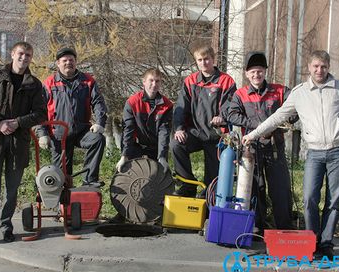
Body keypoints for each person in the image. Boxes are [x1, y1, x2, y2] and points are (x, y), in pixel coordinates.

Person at [242, 50, 339, 258]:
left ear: (329, 68)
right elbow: (277, 117)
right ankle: (312, 241)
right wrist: (254, 134)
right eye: (316, 66)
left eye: (324, 67)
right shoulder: (300, 93)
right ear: (309, 68)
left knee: (333, 201)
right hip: (314, 153)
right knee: (309, 198)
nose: (319, 70)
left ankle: (326, 244)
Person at [0, 42, 47, 251]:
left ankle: (6, 226)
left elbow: (41, 114)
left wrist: (18, 122)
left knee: (11, 191)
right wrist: (0, 122)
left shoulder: (34, 84)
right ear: (12, 54)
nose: (24, 58)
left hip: (17, 144)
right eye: (21, 53)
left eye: (28, 55)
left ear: (31, 58)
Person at [222, 51, 295, 233]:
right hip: (251, 150)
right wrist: (258, 126)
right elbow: (231, 114)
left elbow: (294, 110)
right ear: (247, 74)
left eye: (260, 71)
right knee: (255, 189)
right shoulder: (240, 94)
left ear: (265, 71)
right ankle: (258, 228)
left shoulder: (280, 91)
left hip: (275, 148)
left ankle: (284, 229)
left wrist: (276, 124)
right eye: (253, 72)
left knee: (280, 190)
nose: (256, 75)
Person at [171, 44, 237, 196]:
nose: (203, 63)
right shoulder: (190, 81)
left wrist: (222, 117)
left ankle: (208, 196)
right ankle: (188, 185)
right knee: (175, 145)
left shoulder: (226, 81)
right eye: (199, 60)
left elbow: (230, 105)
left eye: (206, 59)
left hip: (216, 135)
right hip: (194, 132)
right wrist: (179, 128)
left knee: (212, 180)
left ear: (213, 59)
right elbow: (181, 106)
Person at [36, 47, 107, 187]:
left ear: (76, 62)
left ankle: (89, 180)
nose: (68, 63)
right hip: (59, 135)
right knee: (61, 177)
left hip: (82, 131)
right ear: (58, 63)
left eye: (71, 60)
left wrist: (100, 122)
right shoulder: (49, 84)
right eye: (64, 60)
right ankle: (63, 205)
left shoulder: (87, 81)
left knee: (98, 140)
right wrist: (42, 134)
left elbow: (98, 103)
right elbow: (40, 111)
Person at [116, 68, 173, 173]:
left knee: (159, 174)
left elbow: (164, 132)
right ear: (144, 81)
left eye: (157, 81)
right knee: (128, 172)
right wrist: (124, 155)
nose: (154, 84)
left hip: (155, 146)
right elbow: (128, 130)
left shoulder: (167, 104)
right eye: (151, 80)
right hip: (135, 145)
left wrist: (162, 157)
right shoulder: (132, 102)